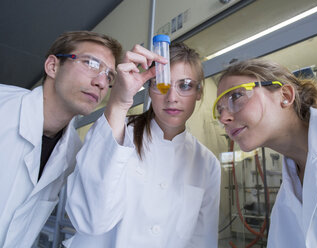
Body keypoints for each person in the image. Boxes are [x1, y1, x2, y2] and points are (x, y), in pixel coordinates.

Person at [65, 42, 221, 248]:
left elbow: (202, 240)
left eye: (184, 85)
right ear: (148, 89)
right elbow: (90, 220)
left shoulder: (207, 164)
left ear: (199, 92)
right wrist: (118, 103)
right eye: (161, 84)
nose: (172, 98)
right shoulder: (117, 132)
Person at [213, 58, 317, 247]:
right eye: (219, 109)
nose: (224, 117)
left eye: (236, 97)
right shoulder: (284, 210)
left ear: (285, 95)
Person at [0, 30, 123, 247]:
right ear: (53, 66)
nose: (102, 82)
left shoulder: (73, 151)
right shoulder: (4, 106)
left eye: (109, 76)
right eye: (92, 64)